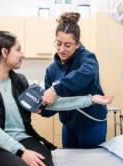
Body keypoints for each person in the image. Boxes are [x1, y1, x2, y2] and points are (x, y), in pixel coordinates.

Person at [0, 31, 113, 166]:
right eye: (19, 49)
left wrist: (90, 99)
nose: (23, 54)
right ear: (4, 52)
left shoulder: (19, 81)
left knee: (44, 165)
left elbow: (51, 103)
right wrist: (22, 152)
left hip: (23, 138)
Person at [41, 12, 109, 149]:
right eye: (58, 43)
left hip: (92, 123)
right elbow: (51, 105)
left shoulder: (87, 59)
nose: (61, 49)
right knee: (69, 161)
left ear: (77, 44)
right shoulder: (51, 70)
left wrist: (56, 89)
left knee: (89, 163)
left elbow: (86, 74)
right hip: (69, 125)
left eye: (68, 45)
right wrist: (42, 109)